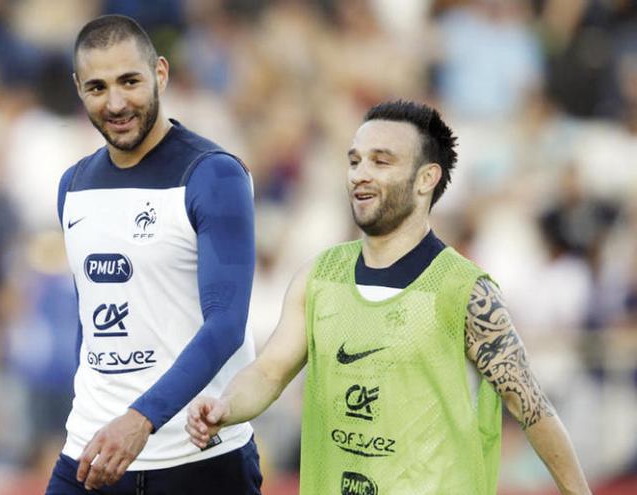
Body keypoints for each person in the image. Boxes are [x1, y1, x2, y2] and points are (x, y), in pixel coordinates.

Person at [186, 100, 592, 494]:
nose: (360, 174)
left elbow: (531, 408)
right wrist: (226, 407)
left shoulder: (466, 292)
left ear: (425, 179)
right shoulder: (319, 276)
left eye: (381, 161)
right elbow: (269, 373)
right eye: (354, 160)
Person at [45, 15, 261, 495]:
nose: (116, 102)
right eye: (97, 87)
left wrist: (142, 419)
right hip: (93, 453)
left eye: (130, 81)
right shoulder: (73, 186)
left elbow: (226, 323)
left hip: (198, 459)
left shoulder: (214, 175)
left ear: (160, 74)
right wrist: (90, 418)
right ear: (78, 89)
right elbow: (92, 321)